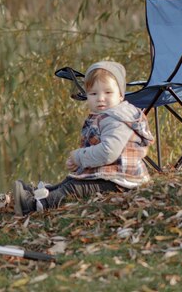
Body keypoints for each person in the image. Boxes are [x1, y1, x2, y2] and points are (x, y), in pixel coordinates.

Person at [13, 61, 154, 216]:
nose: (100, 98)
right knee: (71, 180)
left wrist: (79, 156)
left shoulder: (117, 120)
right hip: (112, 174)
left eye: (108, 93)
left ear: (120, 95)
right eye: (93, 94)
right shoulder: (107, 116)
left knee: (74, 187)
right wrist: (78, 162)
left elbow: (108, 152)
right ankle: (41, 192)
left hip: (121, 180)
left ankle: (35, 205)